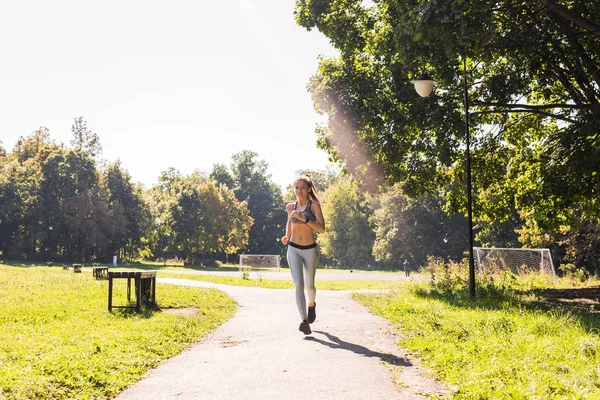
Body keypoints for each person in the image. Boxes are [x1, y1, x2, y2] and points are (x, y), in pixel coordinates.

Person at [281, 174, 325, 335]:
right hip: (293, 249)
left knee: (310, 285)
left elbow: (321, 229)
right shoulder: (290, 207)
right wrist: (287, 235)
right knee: (298, 283)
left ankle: (311, 304)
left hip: (309, 250)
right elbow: (289, 222)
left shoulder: (314, 206)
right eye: (297, 188)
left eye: (303, 188)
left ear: (308, 189)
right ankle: (304, 321)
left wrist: (304, 219)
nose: (299, 191)